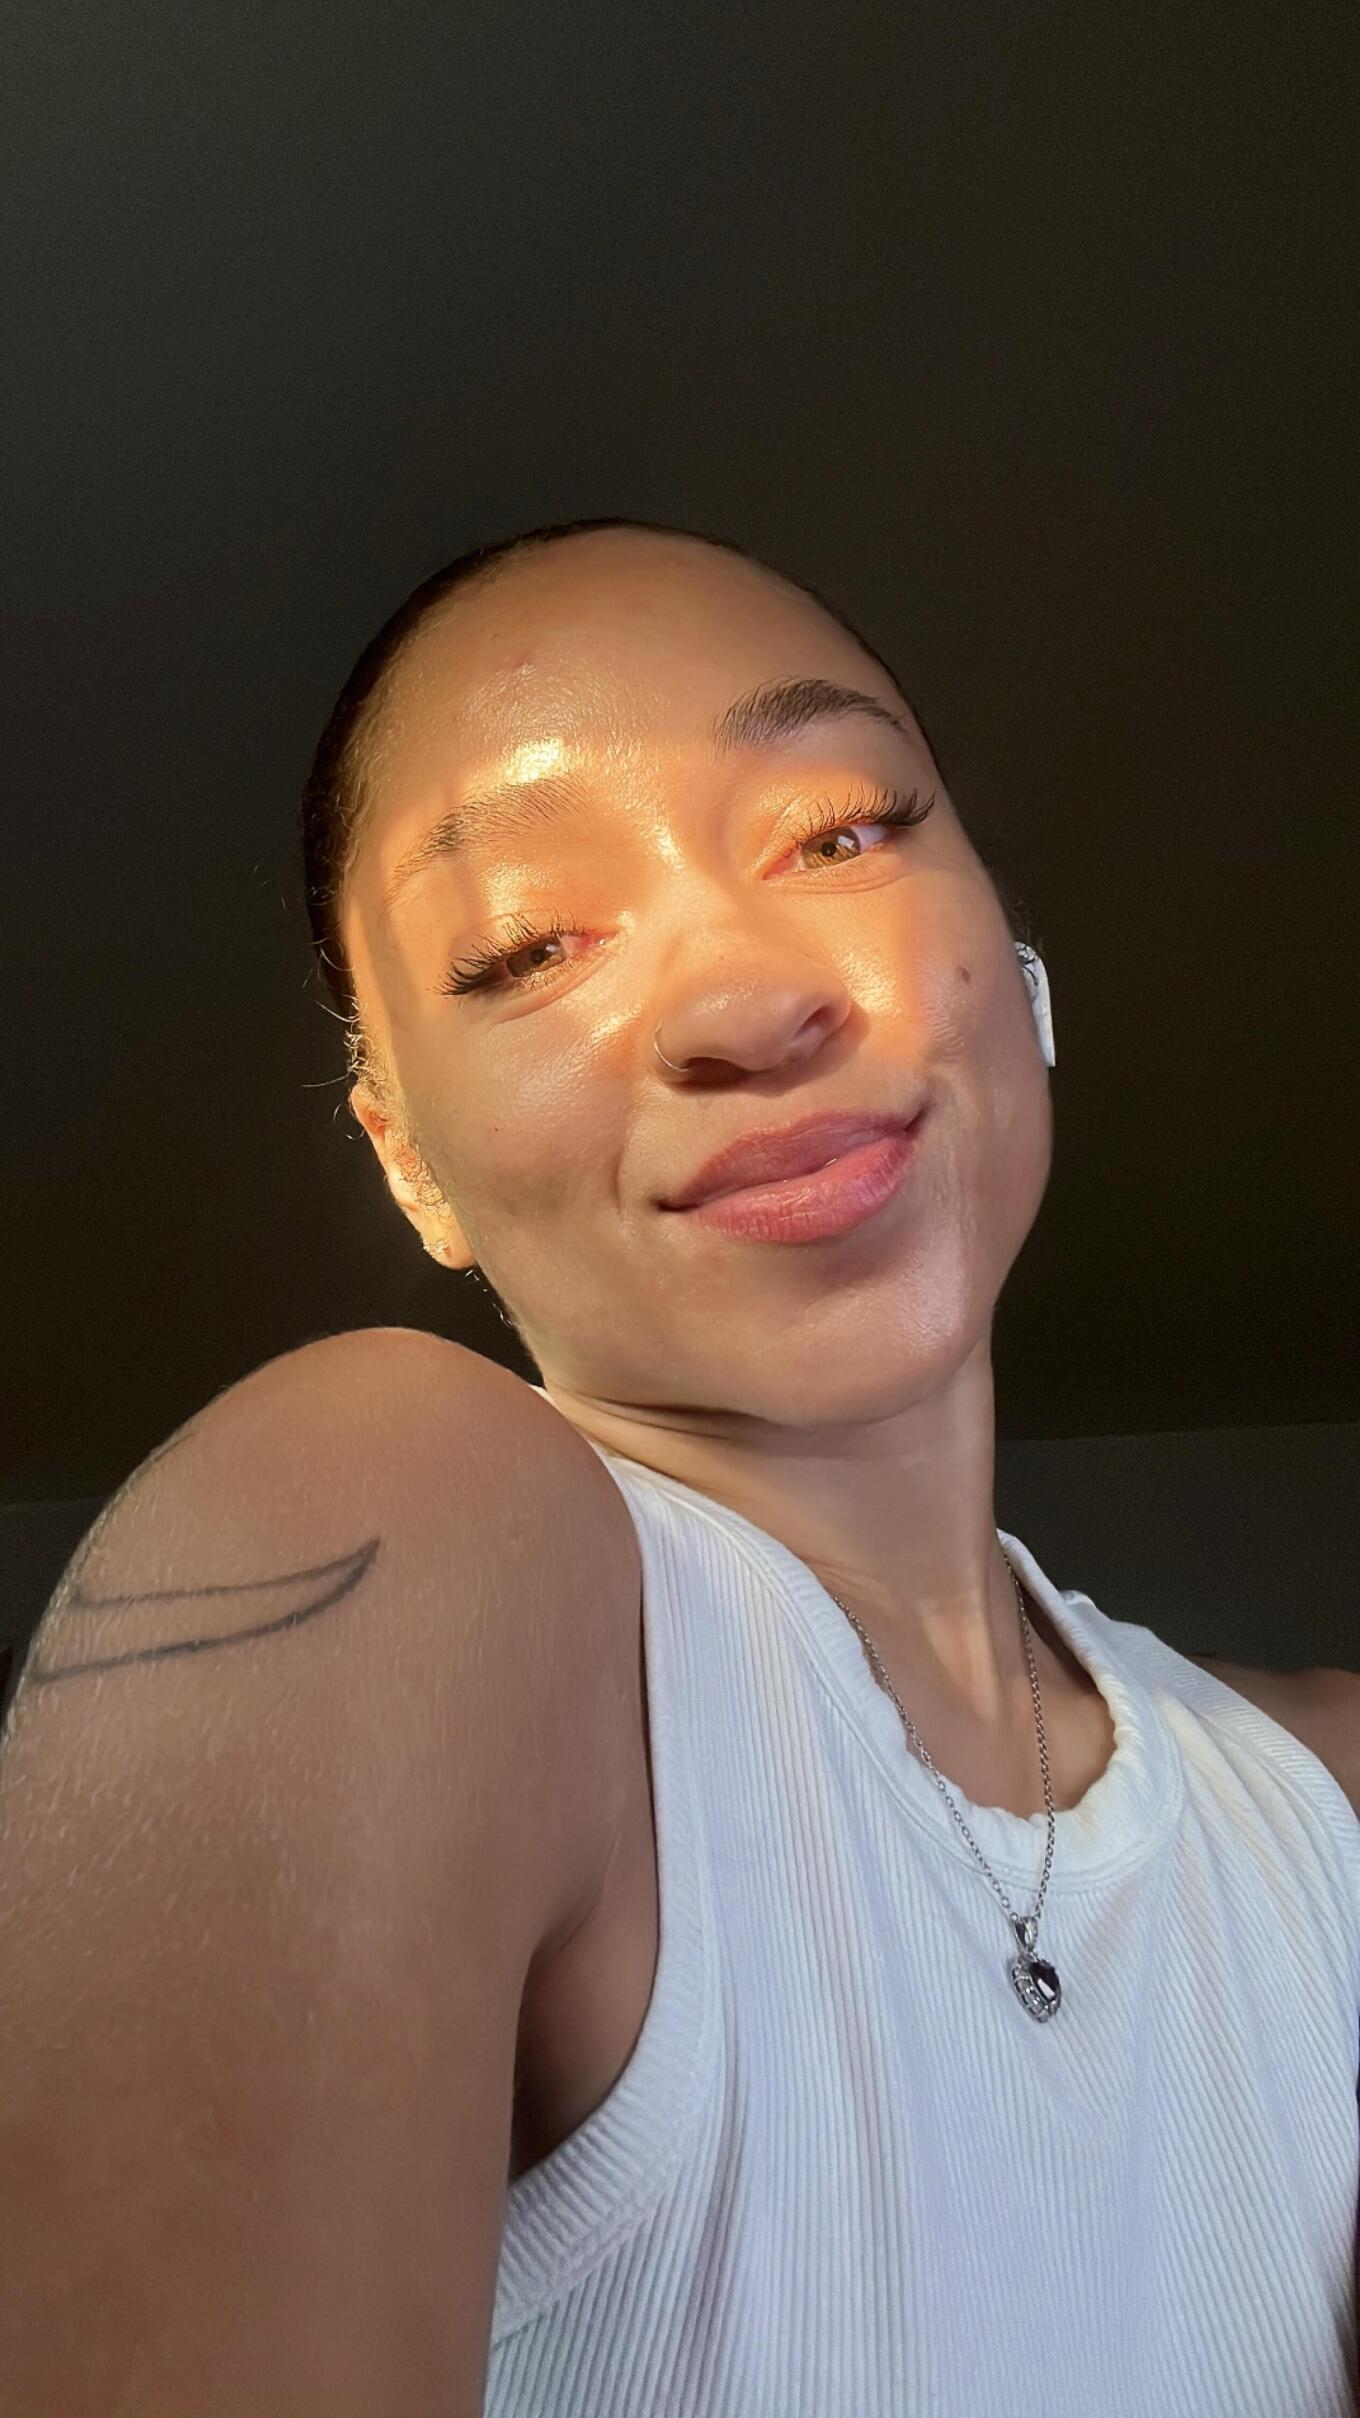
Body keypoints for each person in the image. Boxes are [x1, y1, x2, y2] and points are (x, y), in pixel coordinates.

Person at [3, 517, 1355, 2416]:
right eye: (526, 948)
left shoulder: (1319, 1801)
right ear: (408, 1161)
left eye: (841, 832)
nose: (744, 1001)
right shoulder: (376, 1527)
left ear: (1015, 954)